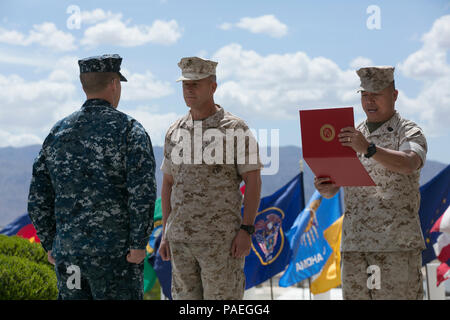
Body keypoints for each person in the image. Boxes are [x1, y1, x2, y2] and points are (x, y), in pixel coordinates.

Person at [27, 54, 157, 300]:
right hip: (116, 259)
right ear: (114, 84)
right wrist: (139, 244)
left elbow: (37, 198)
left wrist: (51, 244)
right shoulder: (129, 130)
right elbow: (142, 193)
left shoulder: (58, 132)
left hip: (71, 256)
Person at [314, 66, 427, 300]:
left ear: (394, 96)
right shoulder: (350, 134)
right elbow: (334, 187)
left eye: (376, 95)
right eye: (365, 95)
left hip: (395, 246)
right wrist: (326, 186)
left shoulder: (408, 131)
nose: (369, 101)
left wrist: (368, 148)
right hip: (356, 245)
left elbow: (408, 163)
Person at [158, 56, 263, 300]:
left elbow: (254, 181)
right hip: (181, 242)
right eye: (185, 84)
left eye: (196, 83)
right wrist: (165, 233)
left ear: (213, 87)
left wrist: (246, 229)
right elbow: (168, 184)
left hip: (222, 243)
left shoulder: (235, 128)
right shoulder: (175, 131)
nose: (189, 89)